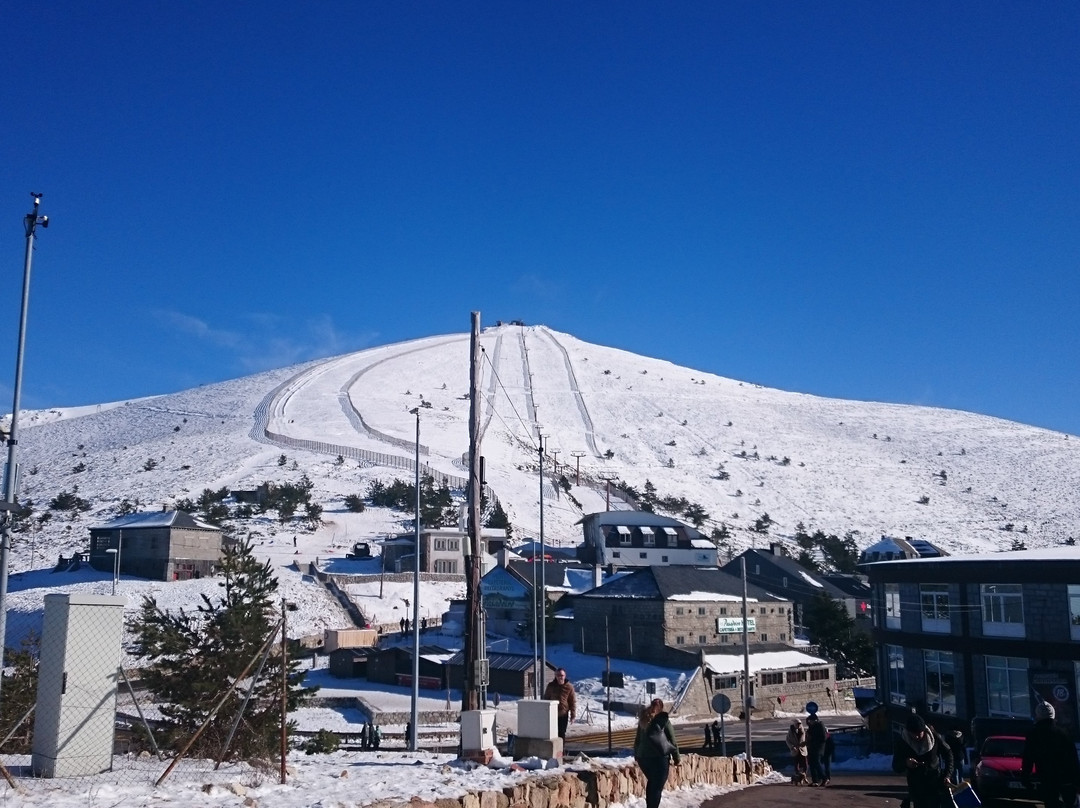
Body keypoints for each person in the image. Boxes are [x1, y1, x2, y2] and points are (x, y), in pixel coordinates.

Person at [1022, 702, 1080, 808]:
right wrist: (1076, 781)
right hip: (1066, 781)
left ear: (1038, 716)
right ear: (1053, 716)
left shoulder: (1033, 735)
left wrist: (1026, 778)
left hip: (1047, 781)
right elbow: (1073, 759)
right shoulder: (1064, 734)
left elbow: (1028, 759)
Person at [892, 712, 953, 808]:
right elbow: (896, 766)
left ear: (924, 730)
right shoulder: (902, 742)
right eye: (913, 734)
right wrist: (906, 763)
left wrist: (947, 775)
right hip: (916, 787)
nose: (916, 737)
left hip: (934, 783)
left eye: (919, 733)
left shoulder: (934, 737)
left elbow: (948, 753)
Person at [634, 698, 681, 808]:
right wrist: (677, 758)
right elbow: (672, 740)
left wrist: (636, 754)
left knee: (652, 783)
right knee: (657, 786)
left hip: (643, 758)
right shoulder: (664, 720)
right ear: (661, 708)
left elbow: (637, 739)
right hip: (659, 757)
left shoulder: (644, 719)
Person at [543, 667, 577, 739]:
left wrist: (573, 716)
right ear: (555, 676)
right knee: (551, 734)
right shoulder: (551, 686)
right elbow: (546, 699)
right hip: (552, 714)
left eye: (561, 675)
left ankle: (561, 749)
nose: (560, 677)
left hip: (563, 714)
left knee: (561, 733)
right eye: (558, 675)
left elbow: (572, 702)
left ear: (565, 676)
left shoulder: (569, 687)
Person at [806, 713, 828, 785]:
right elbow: (810, 732)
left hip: (818, 747)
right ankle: (815, 780)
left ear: (815, 720)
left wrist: (814, 740)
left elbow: (823, 737)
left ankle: (824, 777)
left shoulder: (820, 725)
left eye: (811, 721)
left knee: (816, 762)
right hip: (812, 747)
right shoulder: (812, 726)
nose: (810, 722)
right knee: (812, 763)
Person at [786, 719, 809, 785]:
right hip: (795, 750)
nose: (799, 725)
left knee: (805, 764)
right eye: (797, 724)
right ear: (794, 724)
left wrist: (805, 743)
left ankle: (804, 776)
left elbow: (806, 738)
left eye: (800, 724)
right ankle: (797, 777)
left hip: (802, 749)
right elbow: (788, 740)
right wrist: (792, 747)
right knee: (796, 764)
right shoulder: (791, 731)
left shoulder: (803, 730)